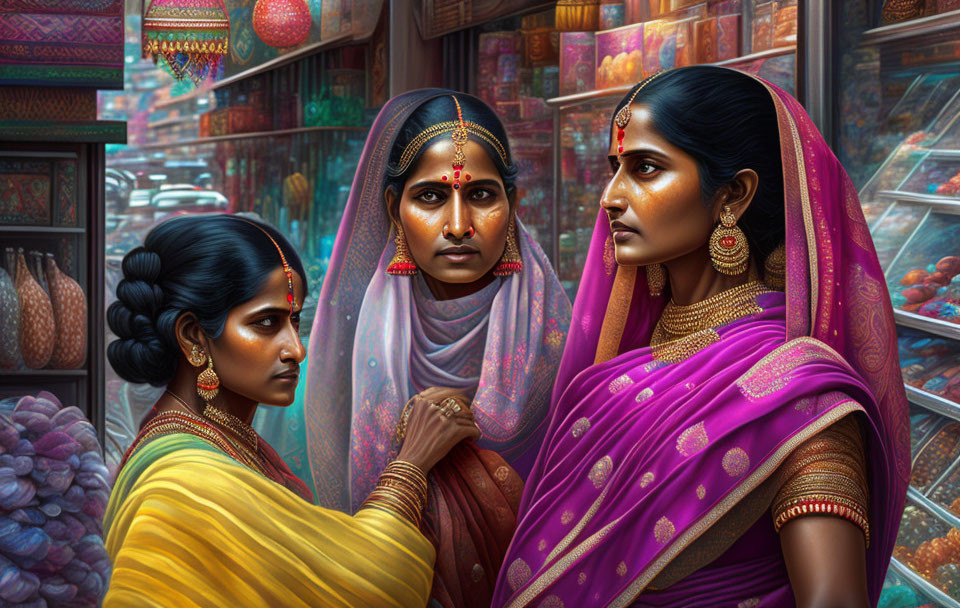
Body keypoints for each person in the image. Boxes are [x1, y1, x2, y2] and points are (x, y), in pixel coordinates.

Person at [493, 66, 909, 607]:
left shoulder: (800, 401)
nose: (611, 197)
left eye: (645, 168)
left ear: (733, 194)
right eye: (614, 169)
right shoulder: (617, 377)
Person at [270, 89, 570, 608]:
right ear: (394, 208)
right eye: (431, 196)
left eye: (481, 195)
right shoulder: (328, 374)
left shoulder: (568, 350)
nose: (458, 225)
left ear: (512, 203)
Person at [102, 214, 479, 607]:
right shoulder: (186, 483)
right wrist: (412, 464)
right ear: (194, 336)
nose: (295, 349)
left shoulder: (217, 440)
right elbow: (369, 585)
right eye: (266, 323)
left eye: (295, 320)